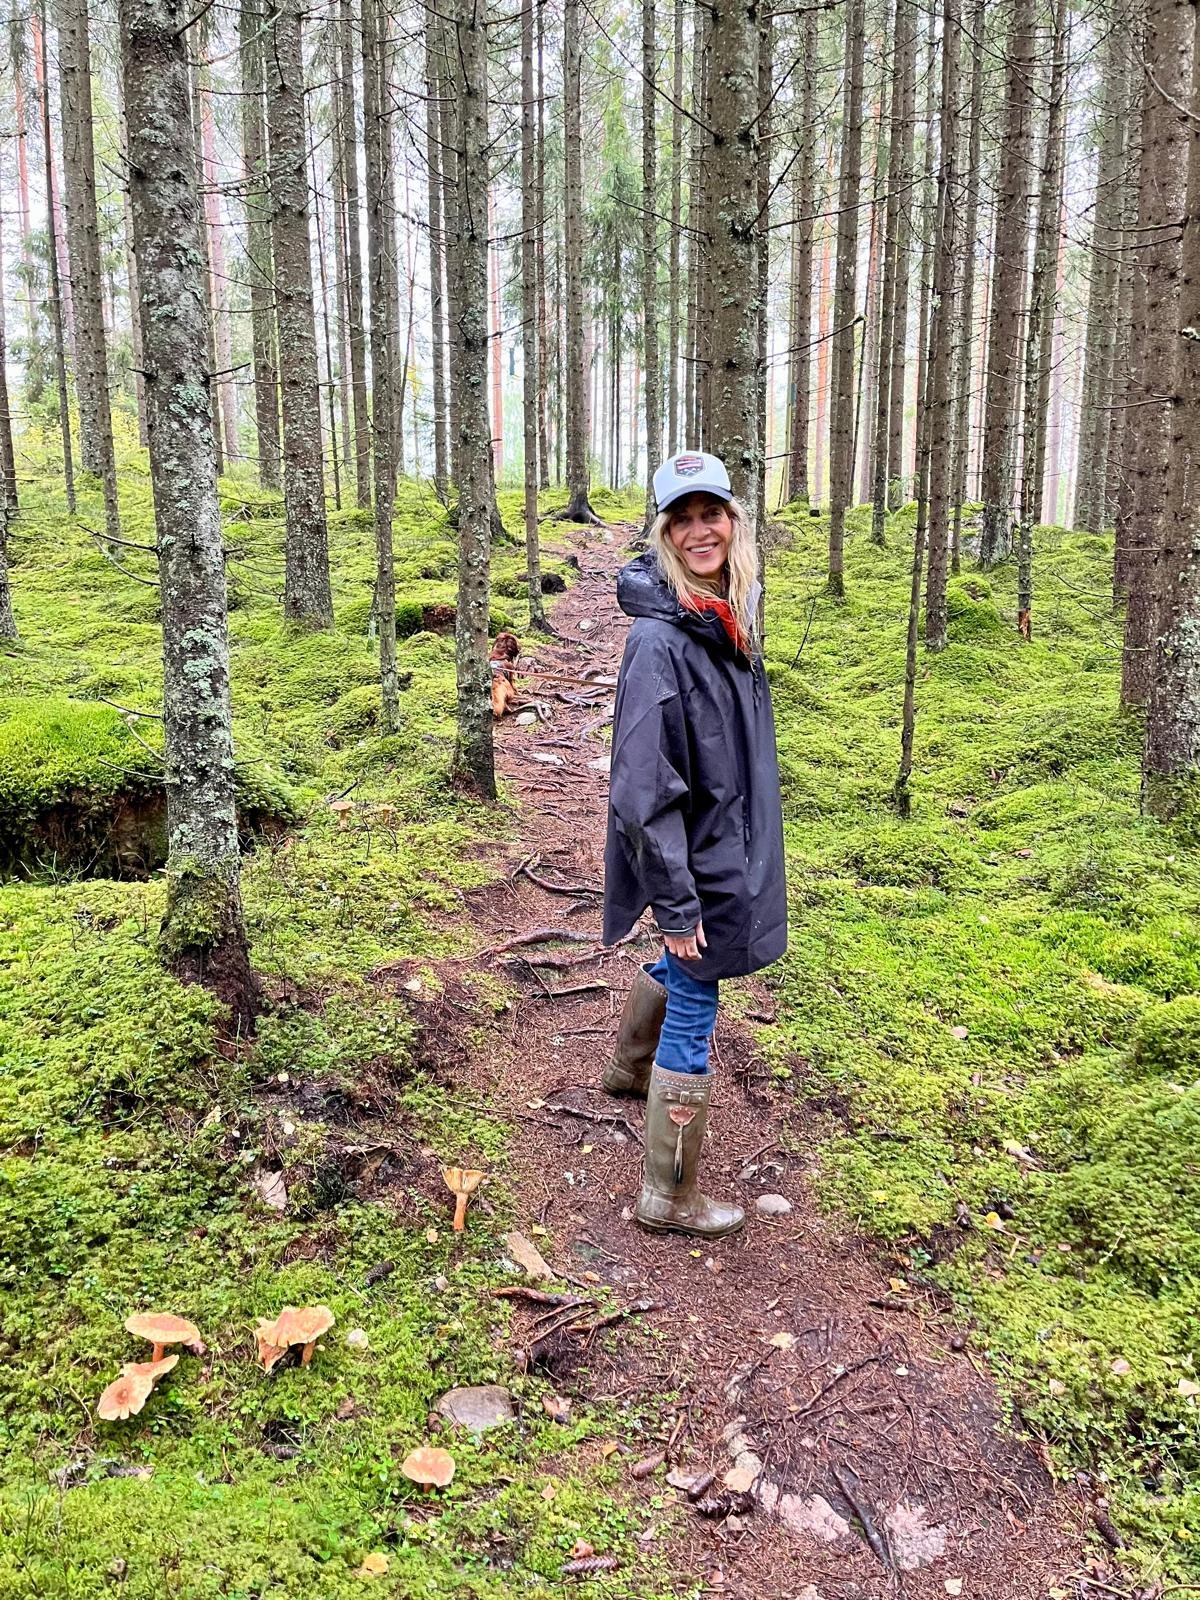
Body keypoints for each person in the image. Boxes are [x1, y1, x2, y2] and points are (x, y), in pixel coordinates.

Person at [601, 450, 787, 1239]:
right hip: (698, 860)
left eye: (712, 513)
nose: (699, 530)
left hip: (720, 843)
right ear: (664, 534)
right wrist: (676, 906)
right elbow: (644, 792)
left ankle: (627, 1066)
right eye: (683, 519)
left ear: (733, 522)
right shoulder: (662, 642)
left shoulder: (719, 615)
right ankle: (668, 1195)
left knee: (686, 968)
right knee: (696, 998)